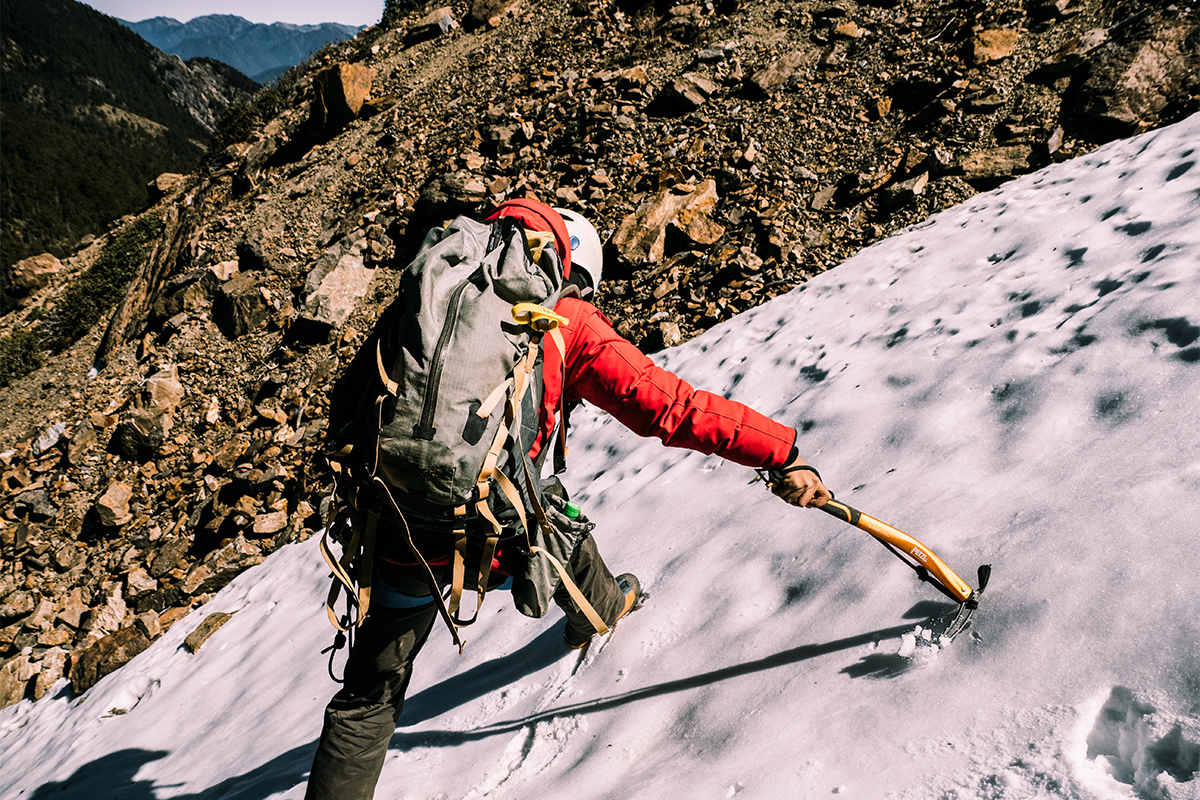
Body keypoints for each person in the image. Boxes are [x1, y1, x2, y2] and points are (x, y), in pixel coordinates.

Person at [305, 200, 831, 799]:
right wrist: (779, 450)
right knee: (551, 517)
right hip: (490, 527)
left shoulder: (431, 287)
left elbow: (348, 405)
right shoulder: (566, 320)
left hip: (392, 527)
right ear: (569, 266)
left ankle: (598, 606)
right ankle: (600, 608)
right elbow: (671, 408)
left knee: (368, 701)